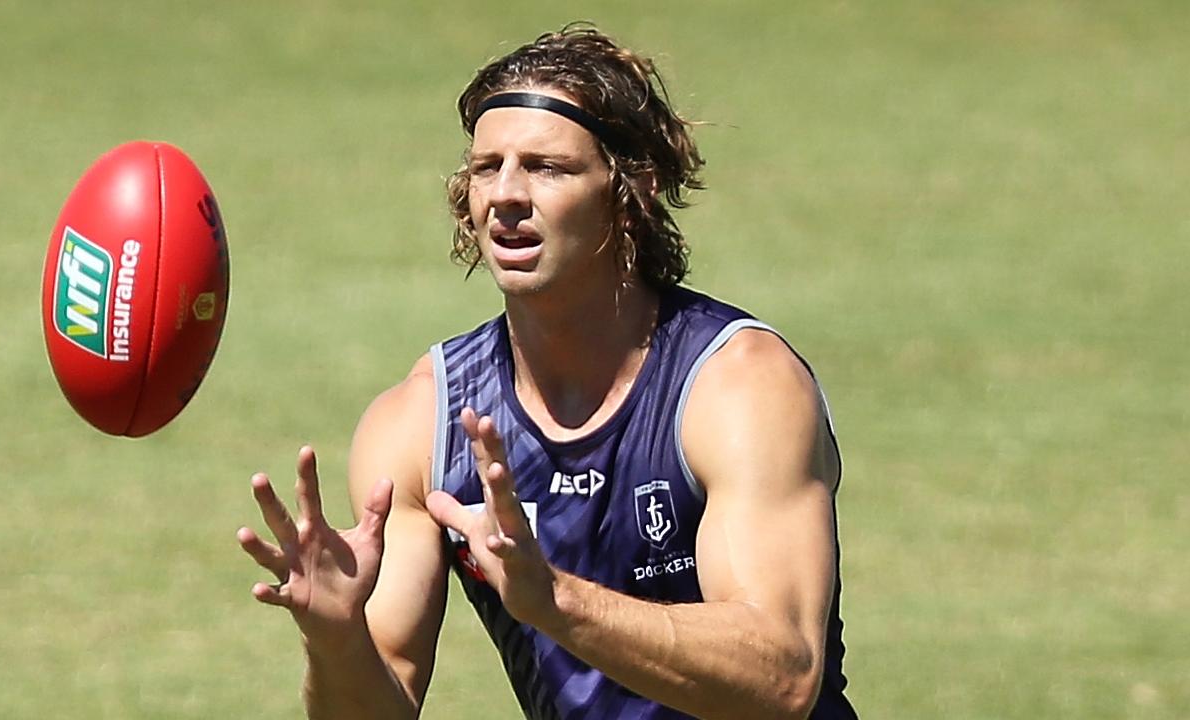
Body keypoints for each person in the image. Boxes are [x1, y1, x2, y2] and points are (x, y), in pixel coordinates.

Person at [237, 25, 858, 720]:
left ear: (634, 192)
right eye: (485, 167)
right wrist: (336, 639)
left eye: (547, 168)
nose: (505, 194)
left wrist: (557, 601)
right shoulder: (421, 423)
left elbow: (782, 677)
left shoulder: (736, 386)